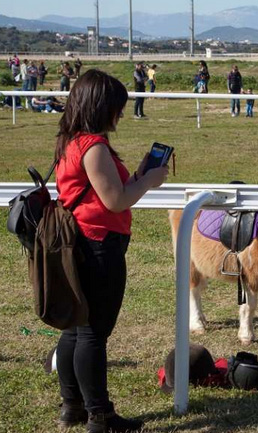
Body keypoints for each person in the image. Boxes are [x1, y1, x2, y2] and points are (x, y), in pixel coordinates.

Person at [53, 69, 168, 433]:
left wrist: (134, 177)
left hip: (81, 242)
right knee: (93, 334)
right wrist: (148, 182)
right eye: (116, 107)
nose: (119, 114)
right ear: (101, 107)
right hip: (99, 243)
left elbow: (107, 191)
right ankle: (99, 415)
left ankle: (72, 407)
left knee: (76, 329)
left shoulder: (72, 142)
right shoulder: (94, 146)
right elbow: (115, 201)